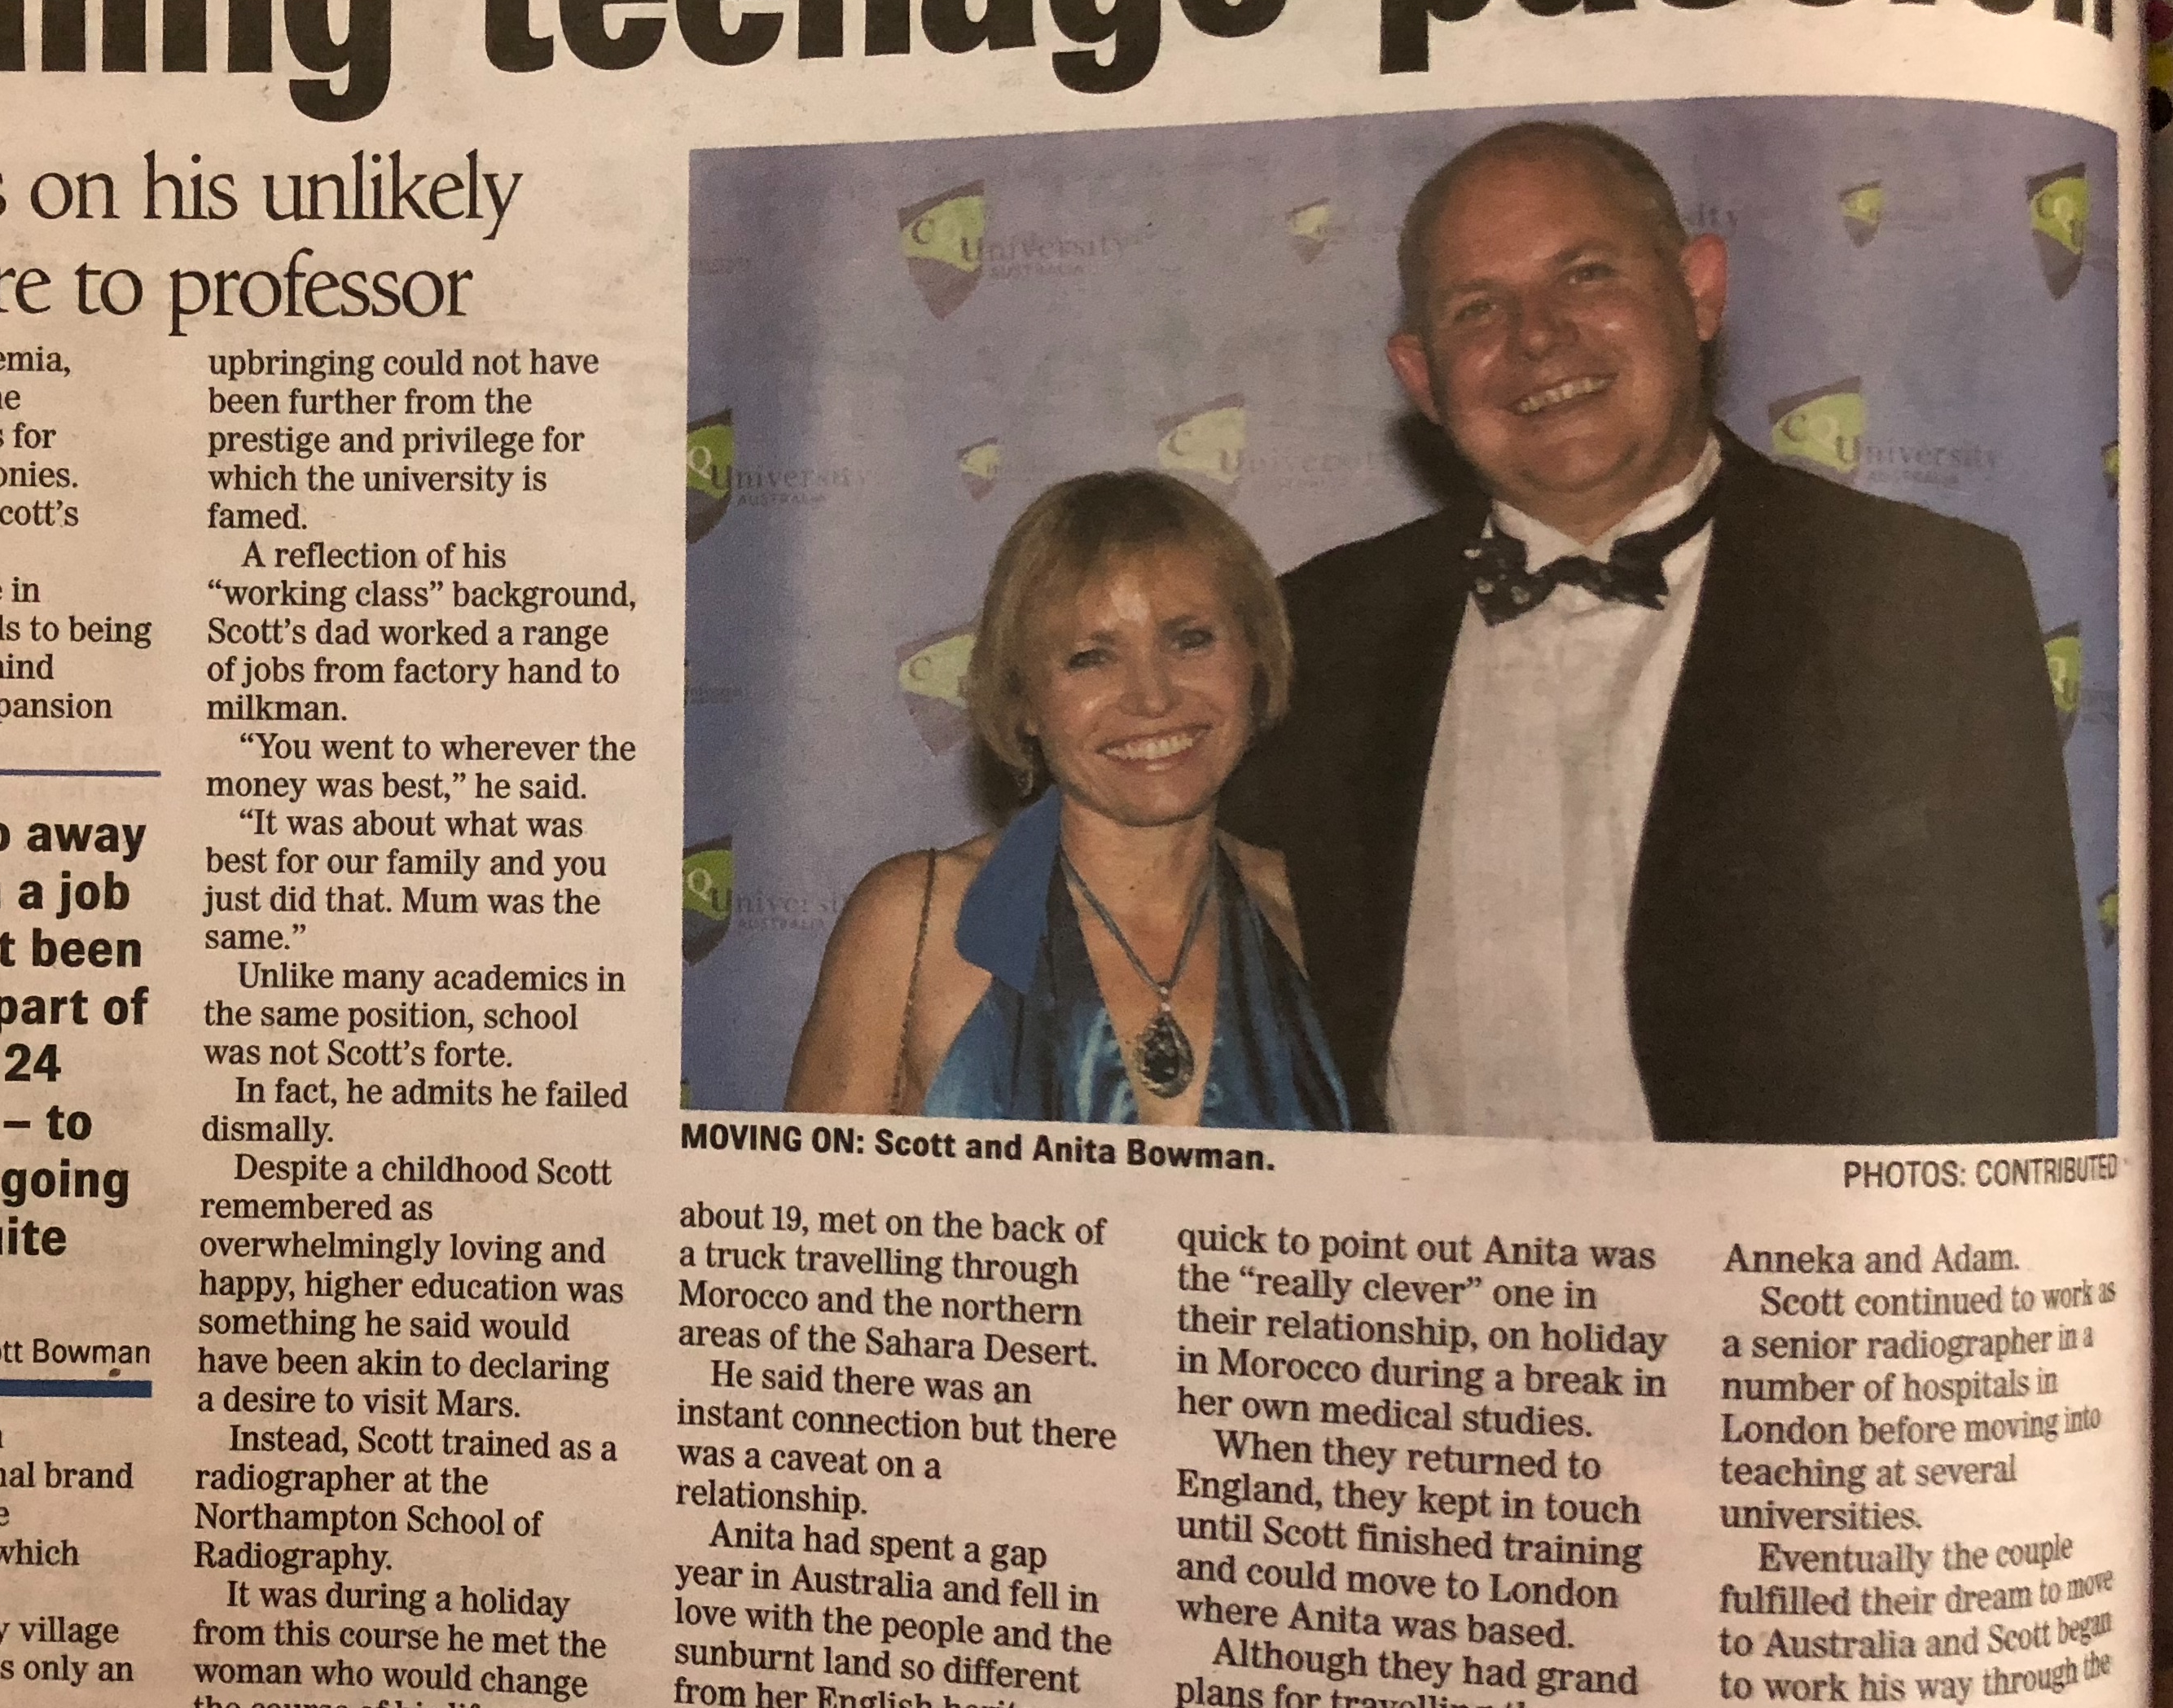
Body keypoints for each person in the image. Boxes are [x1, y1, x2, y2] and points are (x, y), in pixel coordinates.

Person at [1230, 120, 2096, 1144]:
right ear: (1421, 377)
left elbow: (2016, 1058)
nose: (1537, 336)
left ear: (1699, 292)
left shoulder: (1920, 594)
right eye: (1477, 308)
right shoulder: (1318, 625)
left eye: (1586, 274)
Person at [787, 470, 1351, 1130]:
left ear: (1255, 659)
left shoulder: (1322, 918)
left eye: (1190, 639)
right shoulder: (914, 923)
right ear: (1022, 700)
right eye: (1090, 657)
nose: (1152, 697)